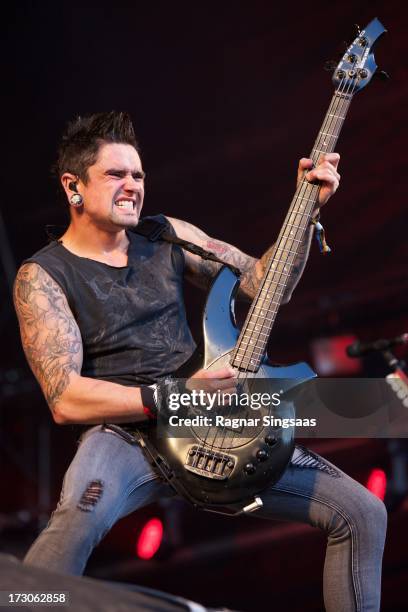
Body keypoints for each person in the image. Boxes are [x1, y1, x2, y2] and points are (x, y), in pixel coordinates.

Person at [13, 112, 386, 611]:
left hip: (209, 419)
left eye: (138, 175)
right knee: (73, 523)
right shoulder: (42, 275)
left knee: (364, 512)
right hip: (125, 434)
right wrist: (174, 396)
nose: (132, 186)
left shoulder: (167, 235)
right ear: (72, 186)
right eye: (115, 174)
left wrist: (306, 211)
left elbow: (263, 284)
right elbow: (65, 399)